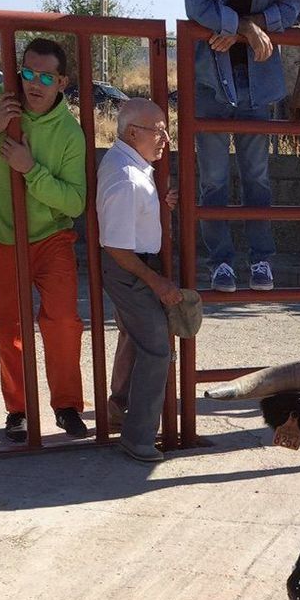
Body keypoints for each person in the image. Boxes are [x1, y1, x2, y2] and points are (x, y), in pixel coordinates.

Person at [0, 37, 89, 441]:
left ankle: (66, 406)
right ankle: (19, 411)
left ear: (62, 82)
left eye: (46, 76)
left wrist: (30, 169)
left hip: (51, 236)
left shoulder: (70, 134)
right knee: (8, 326)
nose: (34, 83)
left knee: (62, 321)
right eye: (28, 72)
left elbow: (75, 202)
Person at [185, 0, 300, 293]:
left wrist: (247, 28)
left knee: (257, 177)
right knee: (213, 179)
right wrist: (245, 27)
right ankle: (220, 263)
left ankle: (260, 259)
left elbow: (292, 3)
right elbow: (197, 4)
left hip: (258, 79)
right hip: (210, 78)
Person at [99, 100, 183, 464]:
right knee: (157, 349)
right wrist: (157, 282)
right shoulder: (125, 178)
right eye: (159, 129)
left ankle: (119, 408)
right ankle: (138, 438)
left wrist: (158, 203)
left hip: (133, 265)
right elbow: (117, 247)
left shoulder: (130, 165)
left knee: (136, 339)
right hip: (130, 269)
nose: (166, 137)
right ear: (133, 133)